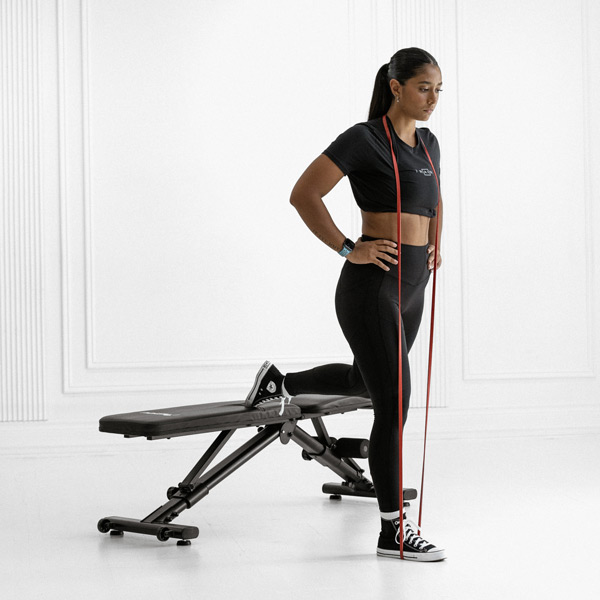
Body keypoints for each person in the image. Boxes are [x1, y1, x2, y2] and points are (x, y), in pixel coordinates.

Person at [245, 48, 446, 562]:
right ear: (396, 87)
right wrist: (347, 247)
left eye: (438, 90)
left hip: (413, 285)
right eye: (424, 87)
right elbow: (304, 194)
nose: (433, 99)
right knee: (394, 403)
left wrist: (434, 245)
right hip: (371, 286)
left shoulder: (428, 144)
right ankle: (393, 531)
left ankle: (281, 383)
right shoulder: (363, 139)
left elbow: (435, 200)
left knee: (363, 382)